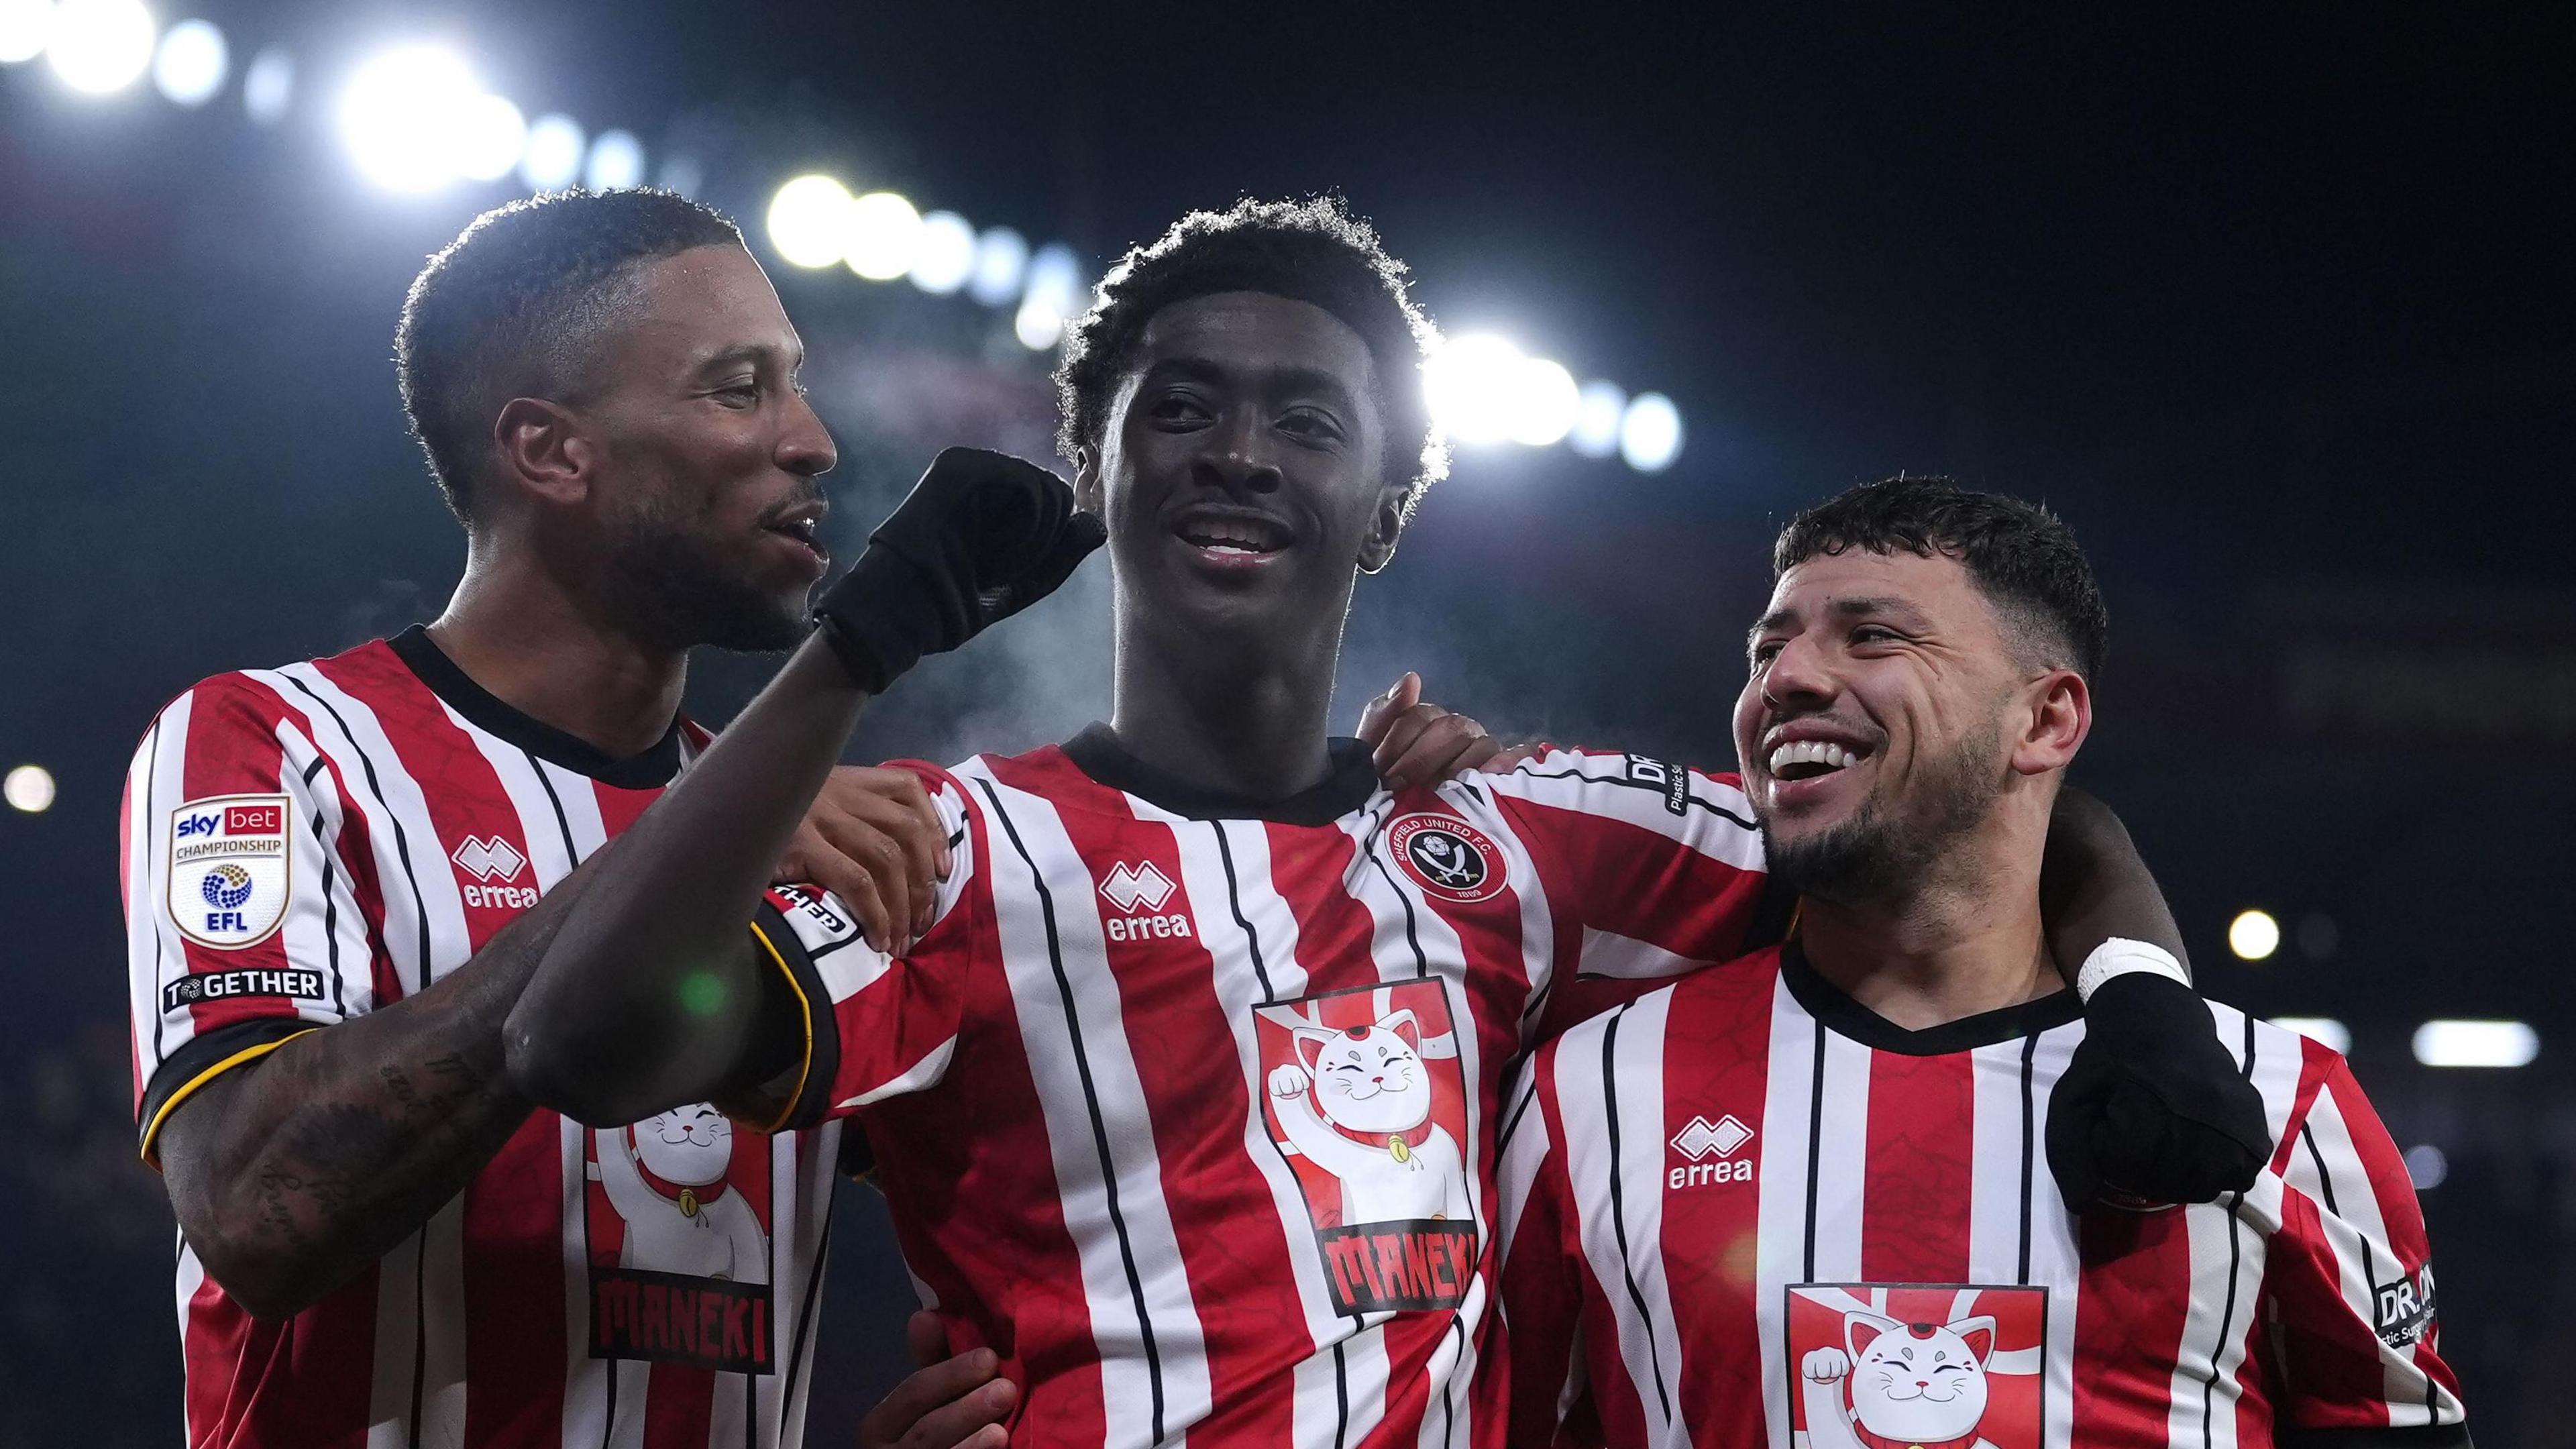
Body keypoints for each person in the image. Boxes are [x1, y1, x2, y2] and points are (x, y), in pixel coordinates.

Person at [501, 198, 2263, 1449]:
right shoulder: (949, 849)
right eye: (1177, 412)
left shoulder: (1527, 834)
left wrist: (2142, 999)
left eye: (1306, 420)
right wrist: (850, 657)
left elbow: (2003, 812)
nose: (1237, 452)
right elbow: (582, 1044)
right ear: (1098, 479)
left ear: (1388, 509)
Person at [120, 189, 978, 1449]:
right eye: (739, 389)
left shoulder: (816, 839)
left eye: (795, 383)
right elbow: (258, 1205)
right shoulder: (273, 745)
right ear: (550, 451)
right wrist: (699, 839)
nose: (813, 441)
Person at [1496, 480, 2468, 1448]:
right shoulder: (1592, 1094)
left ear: (2045, 722)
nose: (1784, 678)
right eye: (1767, 647)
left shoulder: (2285, 1104)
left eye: (1871, 636)